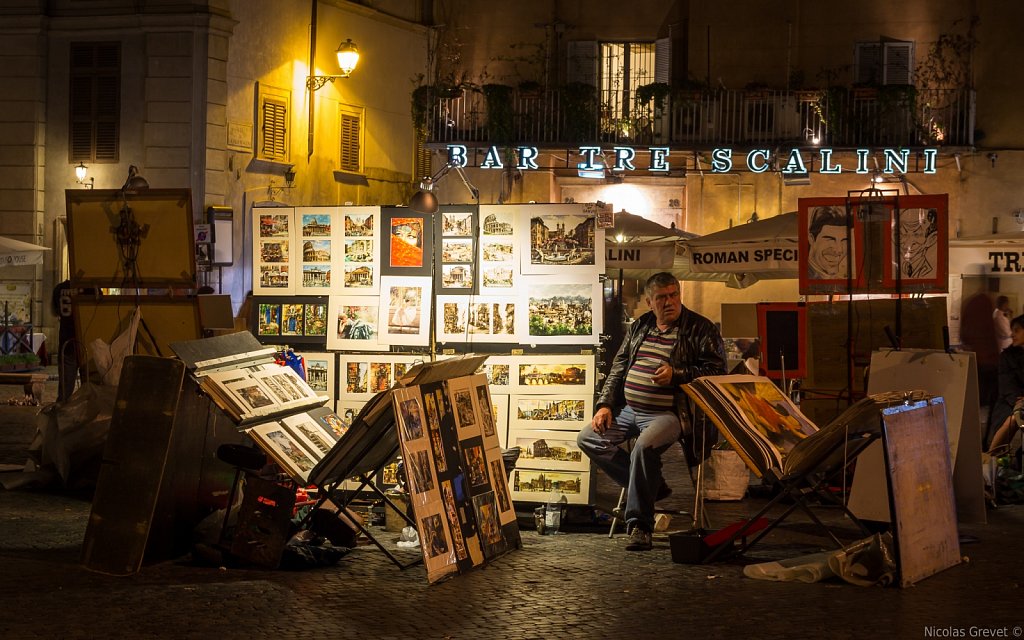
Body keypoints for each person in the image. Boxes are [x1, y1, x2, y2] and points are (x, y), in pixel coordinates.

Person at [577, 272, 726, 551]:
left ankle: (639, 525)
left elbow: (717, 372)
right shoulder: (640, 326)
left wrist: (677, 374)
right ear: (649, 302)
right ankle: (652, 486)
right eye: (662, 297)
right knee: (588, 438)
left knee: (643, 448)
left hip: (672, 413)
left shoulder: (700, 328)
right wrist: (605, 405)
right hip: (630, 409)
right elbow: (619, 367)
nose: (669, 302)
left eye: (674, 295)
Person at [987, 314, 1024, 453]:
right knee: (1013, 419)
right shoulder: (1007, 356)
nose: (1012, 334)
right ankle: (992, 457)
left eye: (1017, 330)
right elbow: (1007, 386)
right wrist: (1018, 402)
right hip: (1010, 401)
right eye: (1012, 330)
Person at [51, 280, 81, 402]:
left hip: (66, 339)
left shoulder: (59, 288)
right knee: (90, 385)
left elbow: (54, 311)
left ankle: (62, 411)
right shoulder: (88, 286)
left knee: (65, 387)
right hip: (85, 339)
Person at [806, 206, 848, 279]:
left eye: (844, 240)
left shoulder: (838, 278)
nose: (839, 250)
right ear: (811, 239)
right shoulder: (806, 276)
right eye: (830, 239)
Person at [896, 208, 939, 279]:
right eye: (903, 234)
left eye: (917, 235)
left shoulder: (929, 272)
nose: (908, 244)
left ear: (931, 239)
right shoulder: (897, 269)